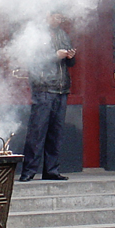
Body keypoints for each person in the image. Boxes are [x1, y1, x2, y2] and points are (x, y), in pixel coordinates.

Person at [20, 12, 75, 182]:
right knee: (37, 131)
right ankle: (29, 171)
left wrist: (70, 56)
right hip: (43, 88)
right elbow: (33, 60)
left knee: (56, 133)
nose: (58, 20)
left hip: (61, 88)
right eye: (55, 16)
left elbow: (70, 64)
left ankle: (51, 170)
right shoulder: (36, 34)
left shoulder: (62, 34)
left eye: (60, 17)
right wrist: (55, 56)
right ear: (47, 16)